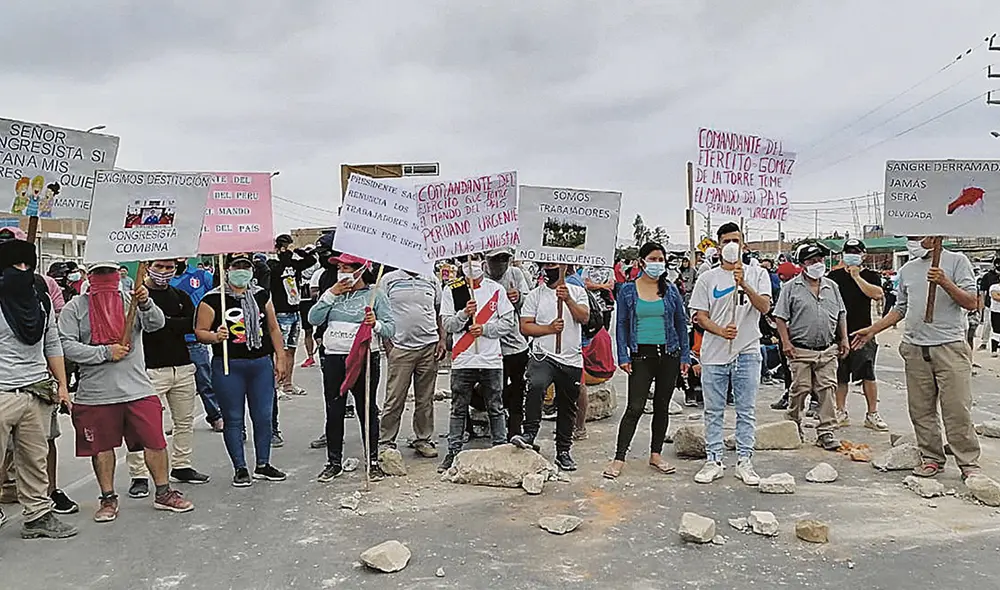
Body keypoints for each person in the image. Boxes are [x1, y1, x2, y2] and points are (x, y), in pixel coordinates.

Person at [60, 261, 193, 522]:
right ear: (89, 275)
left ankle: (164, 492)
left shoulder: (131, 299)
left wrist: (145, 302)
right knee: (101, 448)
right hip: (96, 394)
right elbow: (66, 346)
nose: (105, 277)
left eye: (109, 272)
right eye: (99, 273)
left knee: (155, 441)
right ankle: (108, 498)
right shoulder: (75, 307)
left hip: (138, 389)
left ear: (119, 274)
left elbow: (156, 324)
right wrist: (104, 353)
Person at [852, 237, 981, 480]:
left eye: (916, 236)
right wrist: (873, 329)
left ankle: (968, 462)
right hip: (915, 347)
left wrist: (944, 282)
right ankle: (931, 457)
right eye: (909, 237)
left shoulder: (956, 261)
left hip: (949, 346)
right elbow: (900, 308)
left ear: (932, 236)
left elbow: (971, 302)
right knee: (921, 410)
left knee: (956, 408)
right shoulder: (908, 269)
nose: (912, 241)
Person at [0, 230, 77, 538]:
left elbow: (52, 344)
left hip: (36, 391)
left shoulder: (40, 301)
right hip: (2, 392)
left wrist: (62, 385)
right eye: (14, 266)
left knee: (35, 458)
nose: (22, 273)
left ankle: (38, 516)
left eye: (27, 266)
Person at [688, 223, 771, 485]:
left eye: (736, 240)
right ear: (718, 244)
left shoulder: (758, 274)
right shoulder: (707, 278)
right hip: (714, 354)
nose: (731, 245)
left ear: (744, 244)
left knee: (745, 410)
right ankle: (713, 459)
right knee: (713, 410)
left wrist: (743, 283)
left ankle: (745, 461)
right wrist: (720, 331)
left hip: (747, 352)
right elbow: (700, 316)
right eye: (726, 241)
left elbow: (765, 307)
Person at [195, 254, 288, 487]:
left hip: (260, 364)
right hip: (229, 366)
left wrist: (281, 357)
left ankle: (263, 464)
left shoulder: (260, 295)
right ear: (227, 270)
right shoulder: (213, 299)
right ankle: (240, 468)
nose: (242, 271)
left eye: (246, 267)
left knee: (263, 416)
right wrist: (216, 336)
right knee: (234, 418)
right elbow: (200, 331)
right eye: (237, 267)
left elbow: (274, 328)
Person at [604, 242, 689, 479]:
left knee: (662, 406)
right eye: (653, 259)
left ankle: (656, 454)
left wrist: (684, 355)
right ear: (641, 262)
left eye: (661, 259)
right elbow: (621, 324)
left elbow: (681, 324)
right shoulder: (629, 291)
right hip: (641, 355)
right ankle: (619, 457)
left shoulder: (670, 290)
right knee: (634, 407)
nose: (657, 263)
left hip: (668, 354)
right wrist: (622, 355)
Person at [126, 259, 209, 499]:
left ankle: (181, 465)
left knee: (184, 421)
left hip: (182, 365)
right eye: (159, 267)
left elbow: (190, 324)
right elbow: (143, 326)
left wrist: (164, 323)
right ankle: (139, 475)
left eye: (169, 268)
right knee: (144, 427)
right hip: (149, 369)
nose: (164, 272)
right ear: (149, 266)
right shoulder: (138, 296)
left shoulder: (181, 295)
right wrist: (171, 323)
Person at [309, 254, 392, 482]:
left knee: (366, 408)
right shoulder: (333, 294)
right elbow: (313, 319)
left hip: (364, 357)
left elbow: (390, 329)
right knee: (334, 409)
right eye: (340, 268)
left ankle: (372, 462)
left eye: (347, 267)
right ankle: (333, 462)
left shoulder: (375, 296)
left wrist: (376, 323)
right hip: (334, 358)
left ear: (360, 270)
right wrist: (330, 294)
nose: (342, 272)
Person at [438, 255, 516, 472]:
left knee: (495, 406)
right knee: (458, 408)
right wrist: (464, 314)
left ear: (483, 262)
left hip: (490, 359)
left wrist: (485, 329)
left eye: (474, 259)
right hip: (463, 359)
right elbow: (448, 324)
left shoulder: (496, 289)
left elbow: (508, 322)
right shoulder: (453, 290)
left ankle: (500, 449)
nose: (470, 264)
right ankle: (453, 452)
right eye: (465, 260)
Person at [511, 263, 590, 471]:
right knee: (536, 385)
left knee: (567, 405)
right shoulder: (535, 295)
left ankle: (563, 451)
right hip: (543, 355)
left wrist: (568, 300)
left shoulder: (578, 291)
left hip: (570, 358)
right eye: (545, 265)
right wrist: (548, 329)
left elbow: (584, 317)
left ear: (564, 266)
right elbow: (525, 326)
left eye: (553, 265)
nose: (548, 269)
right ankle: (529, 432)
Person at [774, 243, 849, 452]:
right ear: (802, 265)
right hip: (800, 349)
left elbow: (841, 313)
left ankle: (826, 431)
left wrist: (844, 339)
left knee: (827, 389)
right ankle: (793, 423)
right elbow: (780, 317)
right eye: (812, 261)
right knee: (801, 388)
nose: (817, 264)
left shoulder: (831, 286)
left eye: (820, 260)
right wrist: (785, 342)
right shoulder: (791, 288)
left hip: (827, 349)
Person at [378, 264, 445, 458]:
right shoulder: (389, 280)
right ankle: (386, 441)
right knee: (394, 398)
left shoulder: (431, 279)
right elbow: (382, 312)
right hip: (400, 347)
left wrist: (441, 339)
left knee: (425, 398)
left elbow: (439, 311)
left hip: (429, 346)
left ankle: (423, 439)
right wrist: (388, 344)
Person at [826, 239, 888, 431]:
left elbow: (877, 294)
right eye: (849, 251)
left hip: (863, 332)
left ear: (863, 255)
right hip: (838, 332)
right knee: (840, 376)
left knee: (867, 374)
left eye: (856, 251)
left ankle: (872, 413)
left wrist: (856, 277)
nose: (852, 254)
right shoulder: (833, 276)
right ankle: (840, 411)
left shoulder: (871, 275)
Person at [483, 248, 531, 439]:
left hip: (515, 345)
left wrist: (518, 298)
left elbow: (529, 304)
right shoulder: (478, 277)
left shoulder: (515, 274)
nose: (501, 263)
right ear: (487, 259)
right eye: (496, 259)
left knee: (518, 389)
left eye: (505, 258)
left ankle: (515, 429)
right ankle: (497, 431)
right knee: (494, 390)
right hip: (489, 346)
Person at [171, 259, 223, 431]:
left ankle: (215, 416)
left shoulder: (202, 276)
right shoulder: (164, 279)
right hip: (171, 341)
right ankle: (178, 421)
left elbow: (217, 298)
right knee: (171, 385)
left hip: (195, 339)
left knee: (204, 380)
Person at [267, 234, 317, 398]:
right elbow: (271, 269)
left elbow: (311, 261)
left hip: (295, 310)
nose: (286, 249)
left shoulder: (295, 264)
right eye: (283, 245)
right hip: (281, 311)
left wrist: (298, 251)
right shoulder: (273, 265)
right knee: (280, 351)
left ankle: (288, 383)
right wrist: (280, 253)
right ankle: (276, 385)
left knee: (292, 349)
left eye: (287, 245)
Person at [298, 245, 320, 369]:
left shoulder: (319, 267)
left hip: (317, 300)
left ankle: (322, 351)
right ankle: (310, 356)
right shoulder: (299, 268)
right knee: (308, 330)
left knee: (321, 330)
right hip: (303, 301)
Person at [980, 254, 1000, 350]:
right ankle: (984, 342)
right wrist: (982, 304)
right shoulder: (988, 276)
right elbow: (983, 291)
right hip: (990, 305)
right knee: (987, 324)